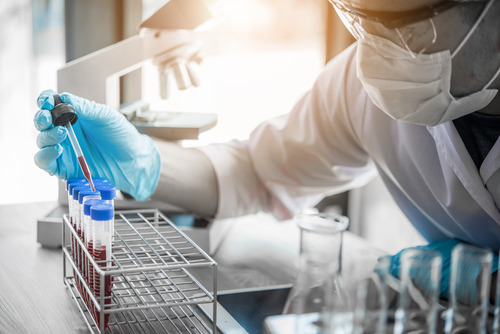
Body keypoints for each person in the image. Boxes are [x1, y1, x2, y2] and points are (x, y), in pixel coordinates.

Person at [34, 0, 500, 302]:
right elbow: (257, 171)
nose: (381, 54)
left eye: (413, 29)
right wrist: (143, 161)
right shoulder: (357, 85)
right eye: (360, 21)